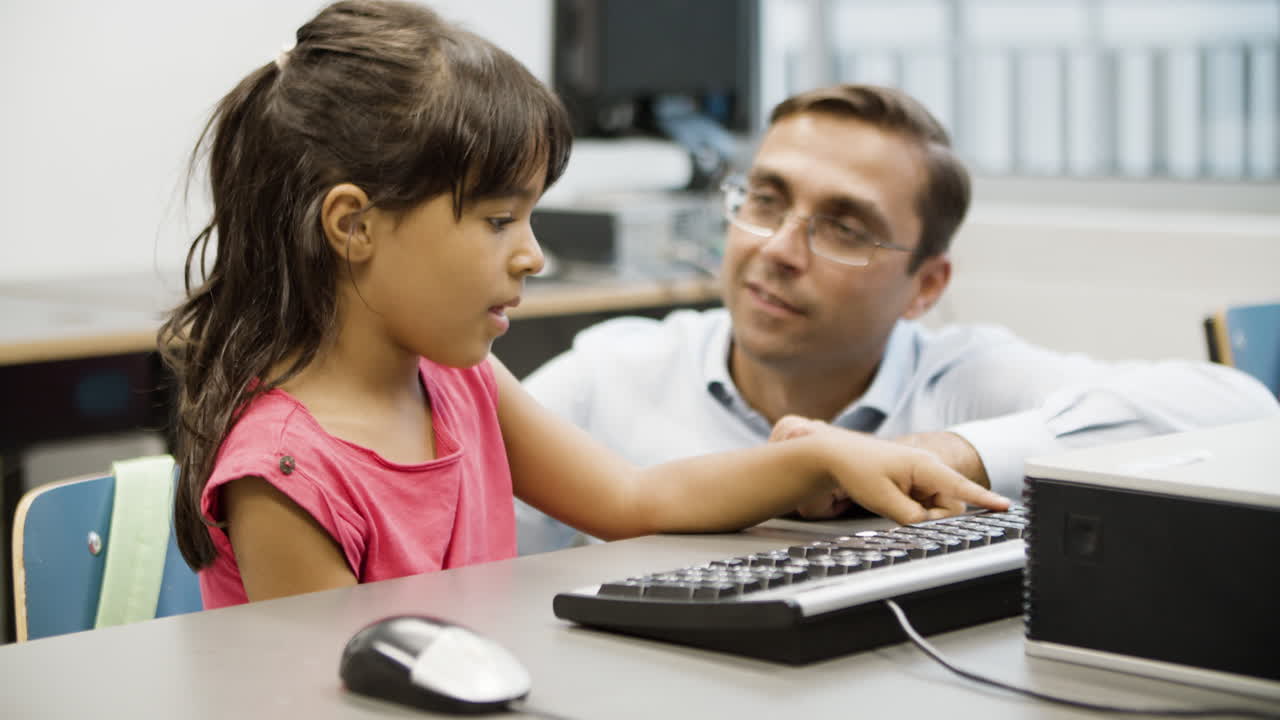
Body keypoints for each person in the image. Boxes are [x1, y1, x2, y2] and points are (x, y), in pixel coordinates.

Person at [157, 1, 1007, 610]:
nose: (534, 253)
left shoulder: (462, 383)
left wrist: (822, 462)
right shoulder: (286, 477)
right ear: (353, 225)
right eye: (498, 221)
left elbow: (633, 499)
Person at [517, 83, 1280, 553]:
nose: (779, 250)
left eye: (843, 228)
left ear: (926, 285)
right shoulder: (609, 377)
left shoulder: (963, 379)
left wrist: (939, 452)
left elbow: (1239, 408)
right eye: (766, 201)